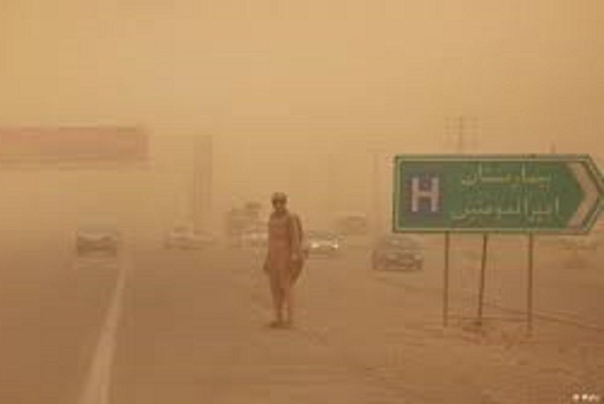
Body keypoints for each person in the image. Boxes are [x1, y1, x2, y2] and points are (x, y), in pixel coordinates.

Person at [263, 192, 306, 329]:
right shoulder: (271, 218)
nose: (278, 205)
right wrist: (267, 260)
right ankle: (278, 318)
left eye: (281, 202)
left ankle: (290, 319)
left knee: (286, 288)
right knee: (275, 289)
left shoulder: (290, 218)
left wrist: (294, 256)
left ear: (285, 203)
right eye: (276, 202)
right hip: (273, 256)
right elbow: (270, 240)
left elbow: (295, 238)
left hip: (286, 256)